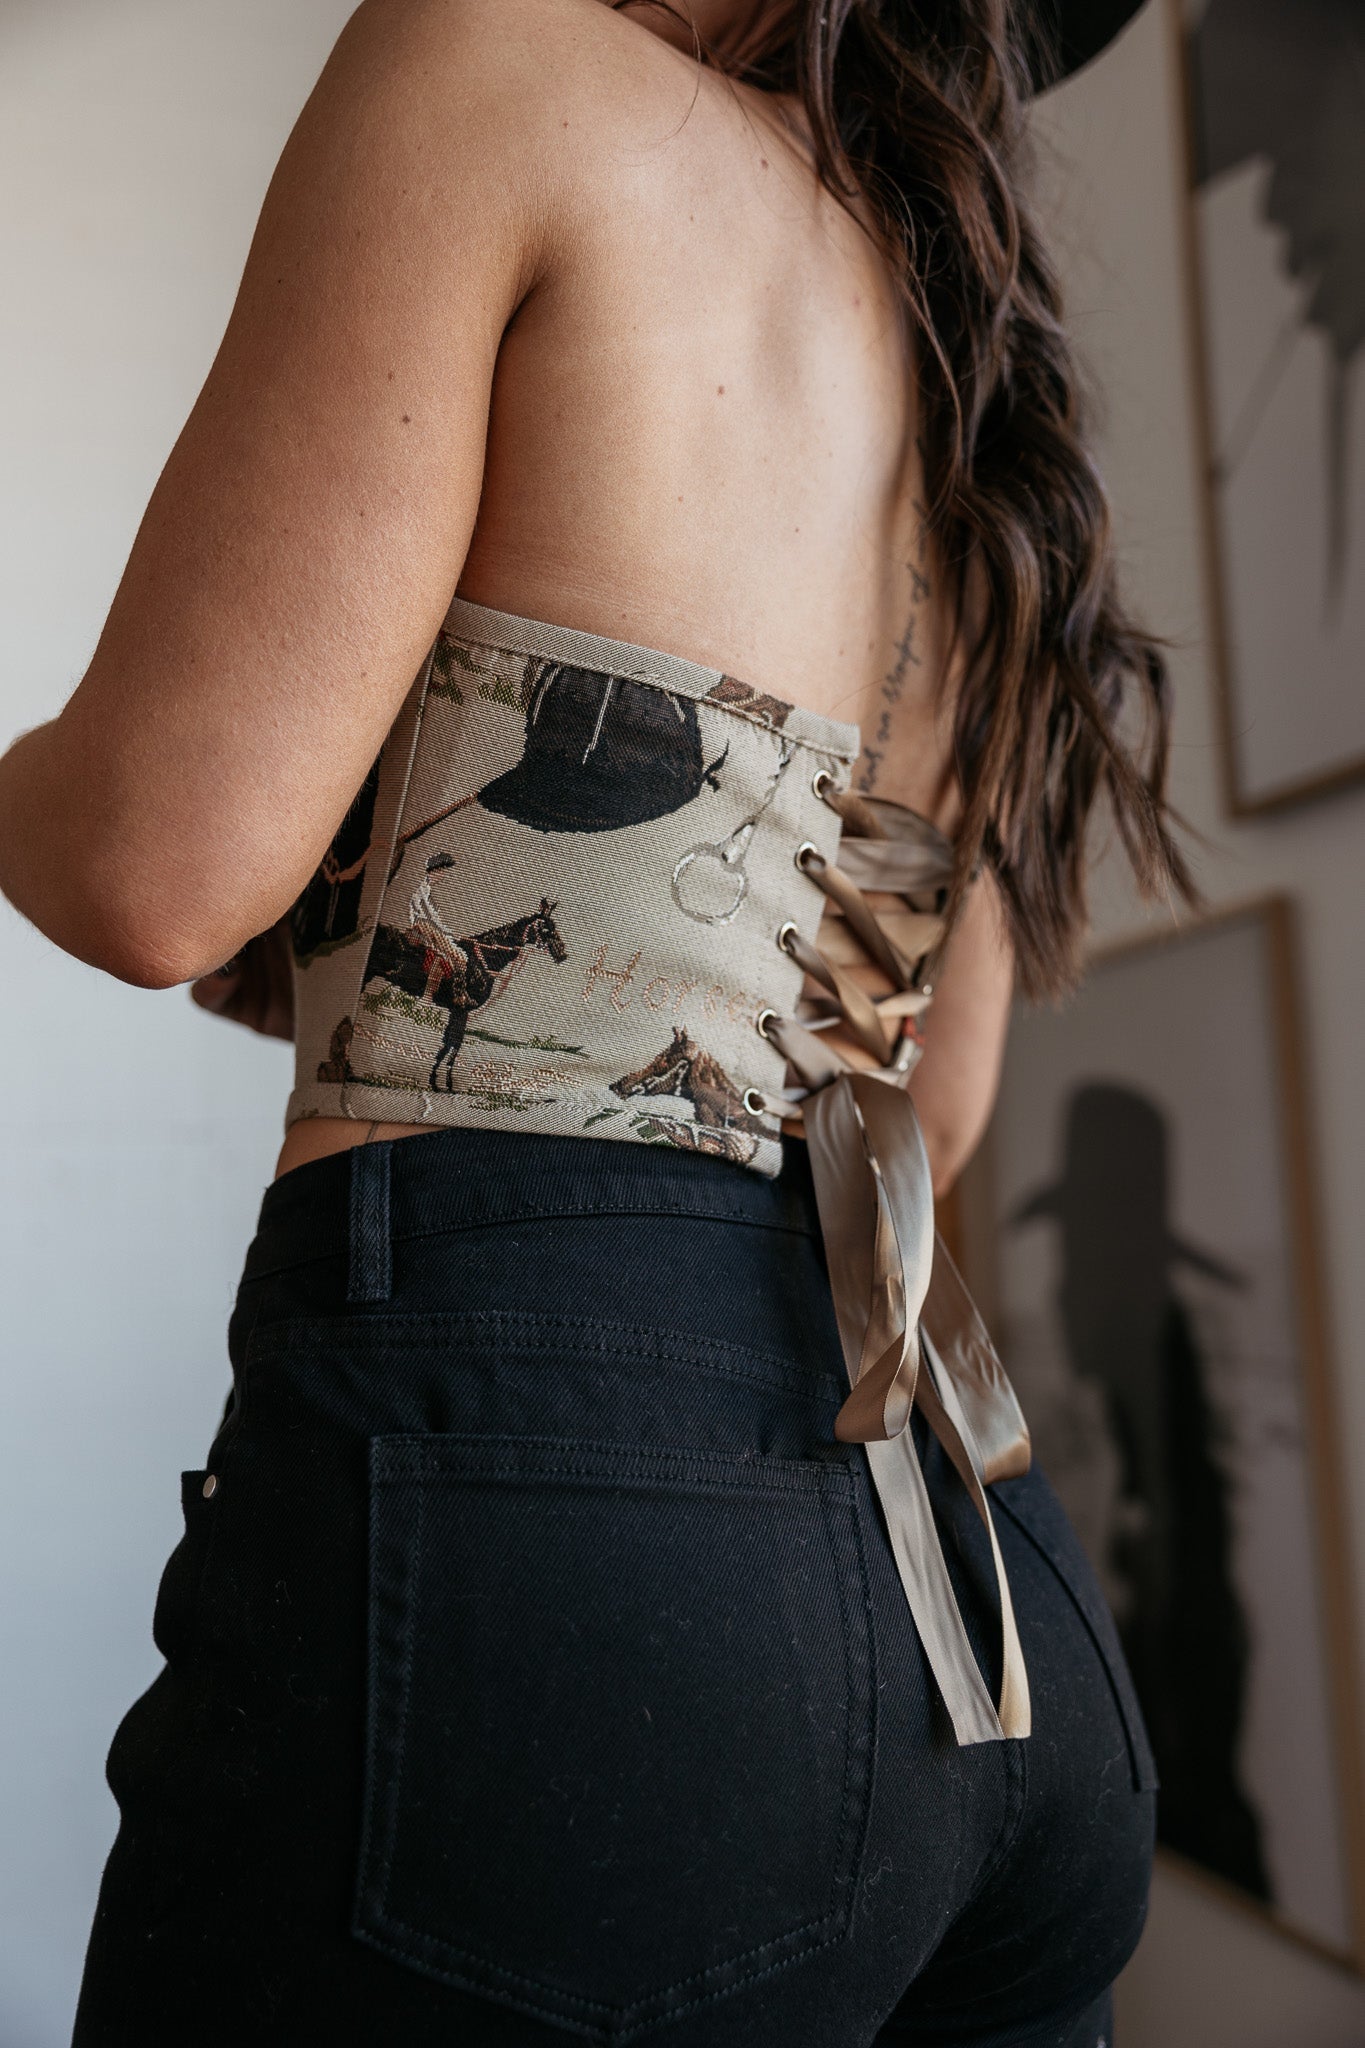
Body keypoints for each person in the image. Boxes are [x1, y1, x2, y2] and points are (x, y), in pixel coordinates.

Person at [0, 3, 1191, 2041]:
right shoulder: (962, 379)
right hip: (973, 1596)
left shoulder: (498, 64)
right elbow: (927, 1097)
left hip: (574, 1574)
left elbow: (152, 863)